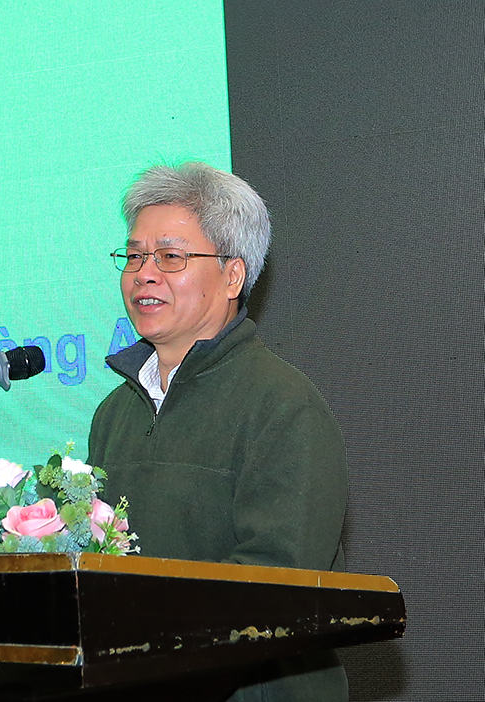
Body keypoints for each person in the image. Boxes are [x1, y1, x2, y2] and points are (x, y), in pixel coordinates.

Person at [87, 162, 348, 701]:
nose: (144, 274)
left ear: (232, 276)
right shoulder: (113, 414)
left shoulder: (283, 404)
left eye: (170, 257)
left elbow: (278, 581)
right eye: (134, 256)